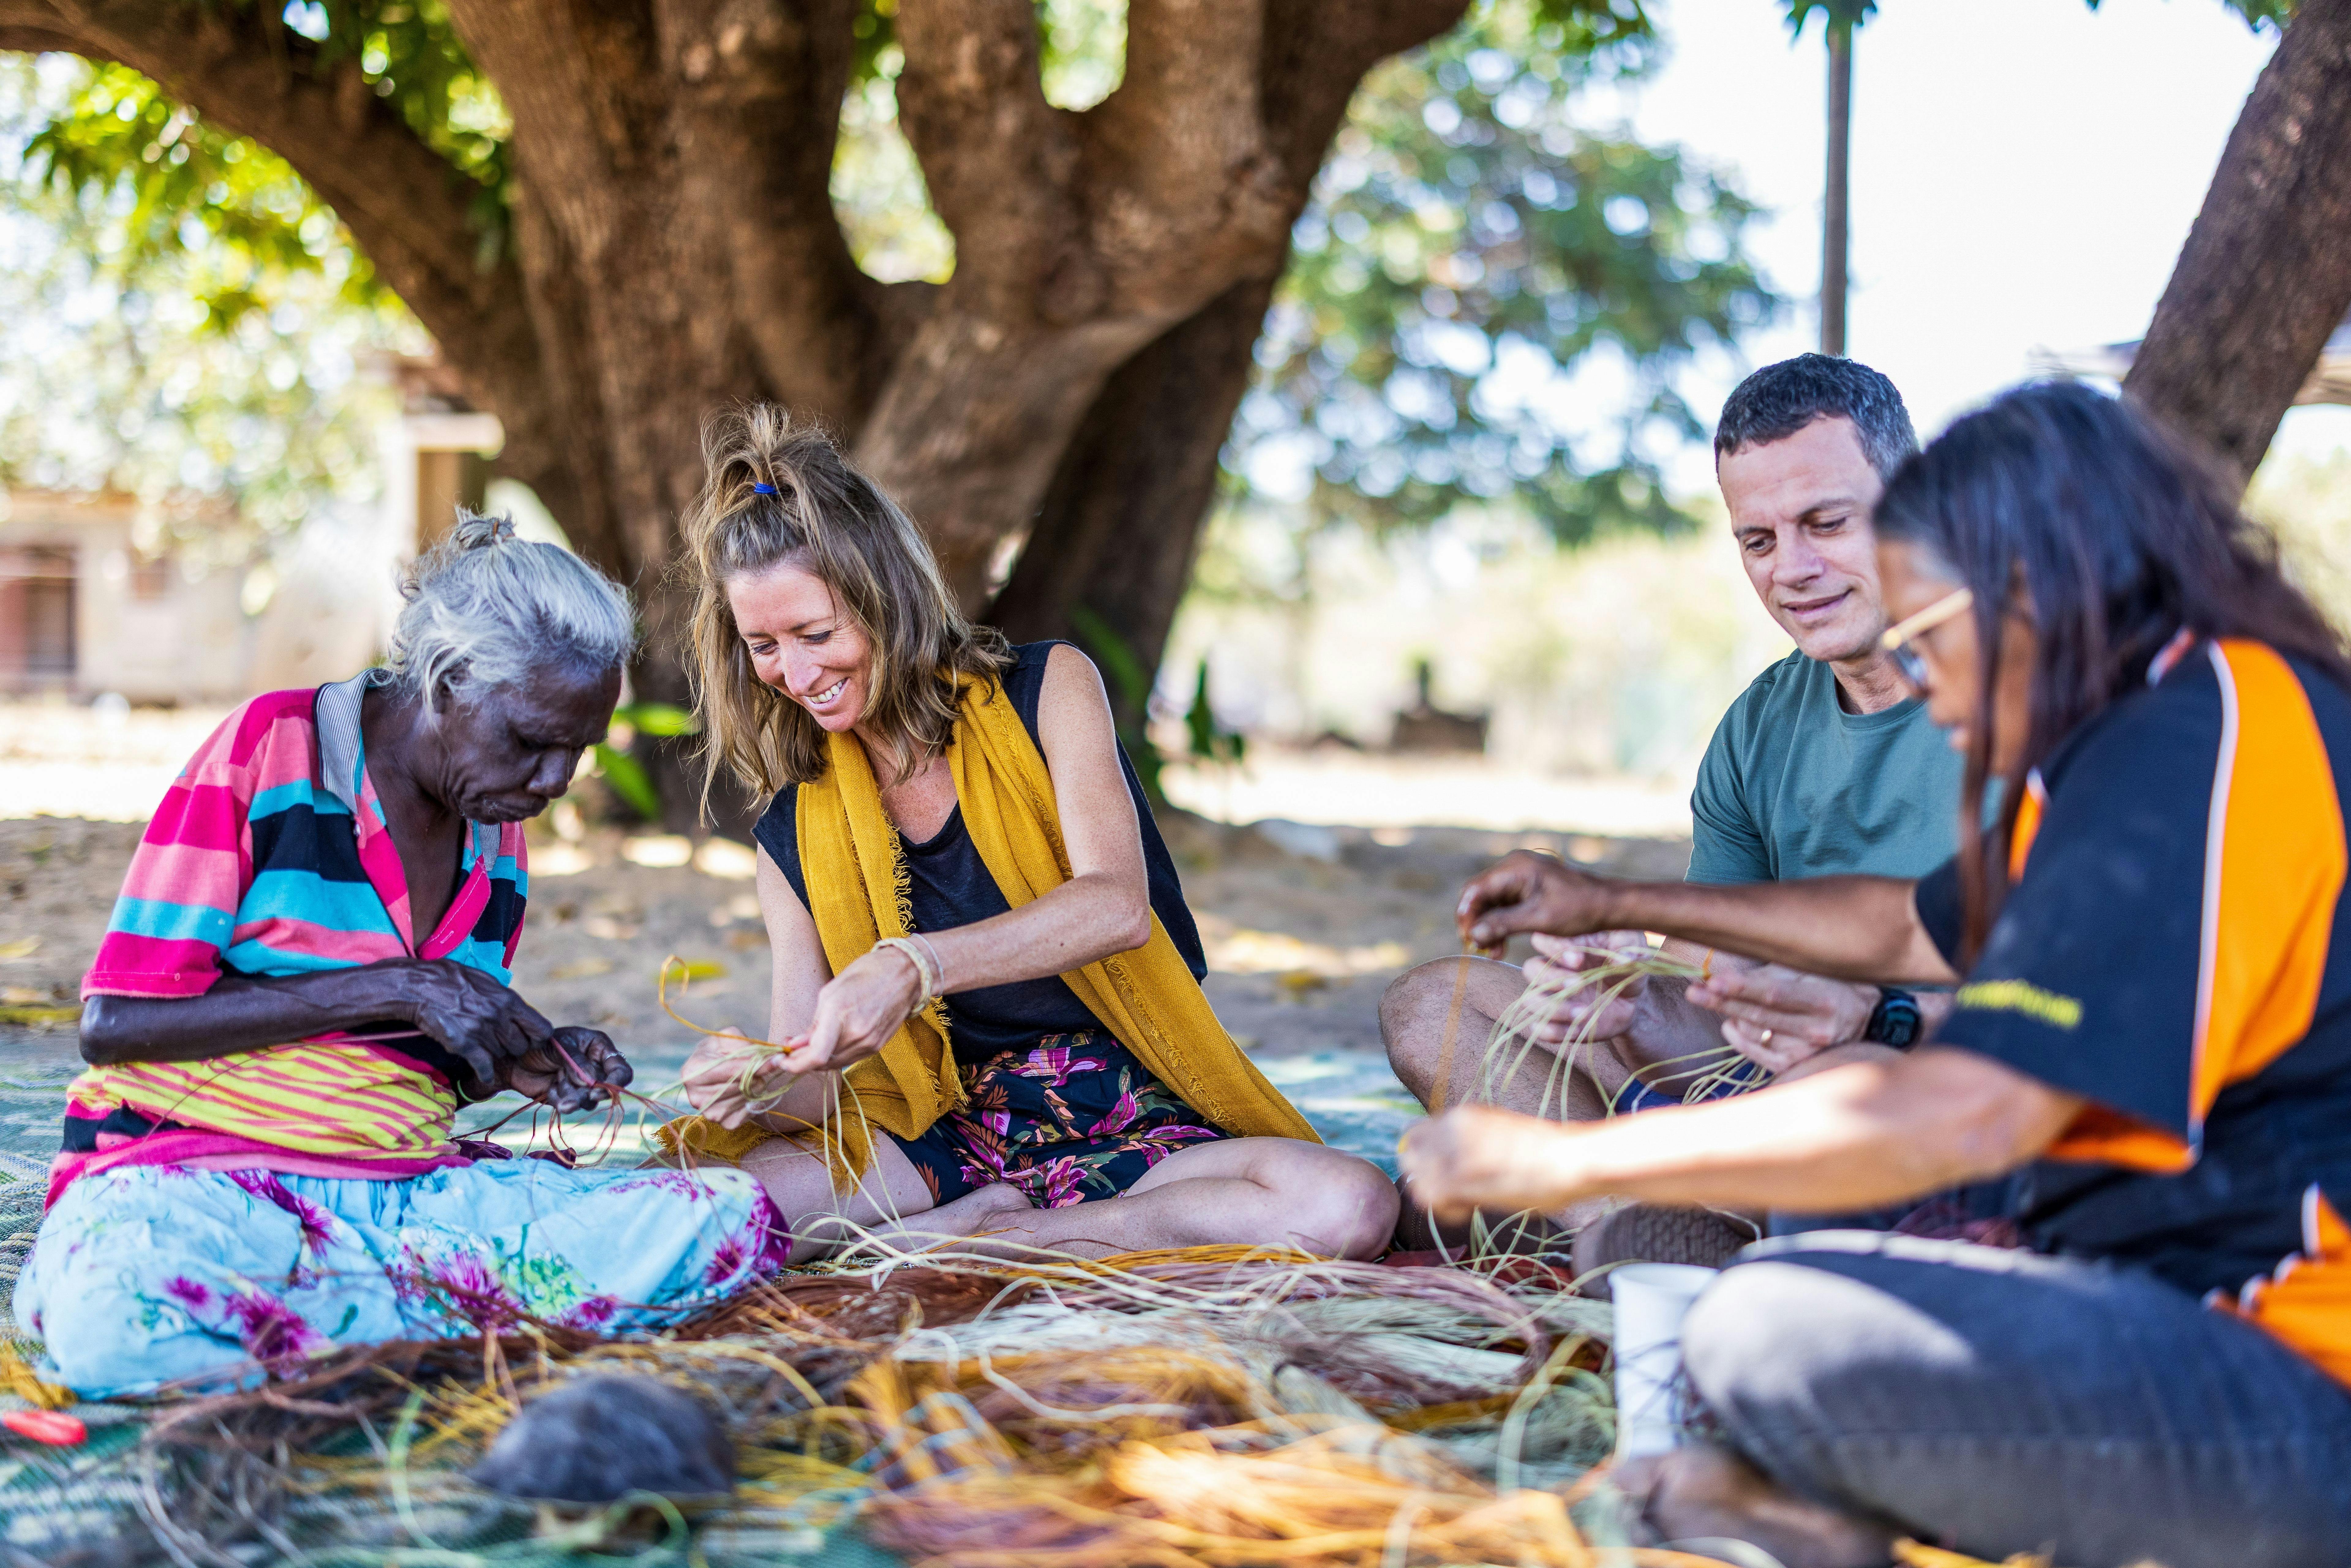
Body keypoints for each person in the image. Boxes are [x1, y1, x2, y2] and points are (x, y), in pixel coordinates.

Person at [1402, 381, 2351, 1568]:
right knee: (1807, 1295)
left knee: (1766, 1328)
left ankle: (1834, 1509)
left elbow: (1973, 1107)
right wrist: (1612, 901)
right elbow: (1908, 924)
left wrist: (1571, 1159)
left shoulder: (2203, 737)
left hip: (2297, 1380)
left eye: (1927, 638)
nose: (1925, 686)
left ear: (2031, 587)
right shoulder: (2133, 736)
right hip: (2170, 1306)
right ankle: (1822, 1504)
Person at [16, 516, 790, 1399]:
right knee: (117, 1325)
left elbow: (420, 1064)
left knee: (718, 1221)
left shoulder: (498, 835)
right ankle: (413, 1331)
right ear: (449, 681)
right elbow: (113, 1026)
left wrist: (523, 1060)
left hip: (397, 1201)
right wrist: (403, 984)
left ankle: (333, 1337)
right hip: (194, 1179)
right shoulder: (273, 749)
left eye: (577, 749)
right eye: (532, 740)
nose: (554, 779)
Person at [667, 406, 1396, 1262]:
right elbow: (818, 1082)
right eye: (763, 646)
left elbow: (1116, 908)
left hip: (1124, 1111)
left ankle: (1012, 1237)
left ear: (886, 598)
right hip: (944, 1136)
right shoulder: (794, 830)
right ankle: (994, 1226)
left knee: (1348, 1205)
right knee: (718, 1214)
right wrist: (757, 1084)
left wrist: (915, 964)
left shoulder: (1050, 690)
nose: (795, 674)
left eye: (817, 634)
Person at [1382, 355, 1962, 1257]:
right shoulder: (1761, 723)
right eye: (1758, 541)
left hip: (1921, 1085)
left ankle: (1650, 1223)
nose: (1794, 571)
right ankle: (1625, 1229)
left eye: (1826, 523)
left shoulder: (2034, 697)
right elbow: (1700, 997)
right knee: (1435, 1002)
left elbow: (2090, 1007)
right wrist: (1617, 990)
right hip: (1754, 1089)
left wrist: (1876, 1013)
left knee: (1846, 1086)